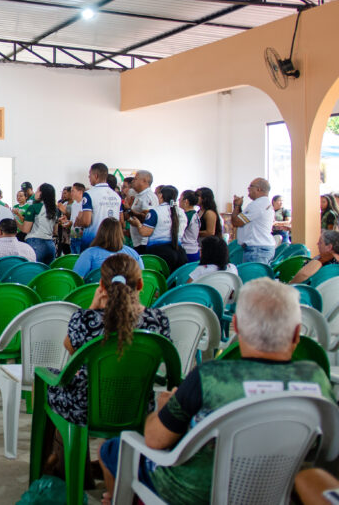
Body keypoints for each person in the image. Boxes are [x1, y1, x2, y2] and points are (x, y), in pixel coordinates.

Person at [97, 279, 333, 505]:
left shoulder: (210, 377)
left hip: (193, 491)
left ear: (237, 326)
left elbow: (155, 440)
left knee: (112, 449)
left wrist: (162, 409)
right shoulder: (316, 379)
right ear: (296, 333)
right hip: (276, 488)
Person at [47, 254, 171, 428]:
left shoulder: (85, 319)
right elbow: (163, 356)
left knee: (47, 377)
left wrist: (92, 308)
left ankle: (57, 452)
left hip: (86, 406)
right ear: (141, 285)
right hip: (138, 405)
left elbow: (72, 349)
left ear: (102, 286)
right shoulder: (158, 320)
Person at [132, 185, 188, 271]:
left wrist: (138, 224)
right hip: (179, 252)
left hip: (160, 255)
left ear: (161, 195)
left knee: (160, 281)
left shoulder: (155, 211)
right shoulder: (181, 212)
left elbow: (145, 232)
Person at [73, 218, 144, 278]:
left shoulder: (89, 254)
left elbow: (76, 279)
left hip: (95, 293)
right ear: (120, 233)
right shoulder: (133, 253)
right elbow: (142, 277)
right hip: (125, 293)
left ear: (100, 232)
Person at [76, 163, 123, 247]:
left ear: (96, 176)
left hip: (93, 241)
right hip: (112, 240)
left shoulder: (89, 194)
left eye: (90, 175)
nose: (89, 177)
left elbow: (86, 222)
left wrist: (79, 221)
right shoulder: (116, 196)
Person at [231, 178, 275, 264]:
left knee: (254, 277)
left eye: (251, 186)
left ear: (259, 189)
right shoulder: (262, 203)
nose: (248, 189)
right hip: (260, 248)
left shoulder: (258, 205)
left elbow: (236, 222)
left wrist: (236, 205)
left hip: (257, 250)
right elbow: (241, 220)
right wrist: (239, 207)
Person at [21, 183, 58, 265]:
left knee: (35, 271)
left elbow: (25, 229)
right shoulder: (55, 209)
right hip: (50, 244)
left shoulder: (34, 207)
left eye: (37, 191)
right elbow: (55, 231)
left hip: (35, 242)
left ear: (42, 194)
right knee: (47, 273)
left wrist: (16, 222)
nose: (35, 193)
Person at [124, 170, 158, 250]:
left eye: (135, 179)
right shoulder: (139, 195)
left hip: (144, 241)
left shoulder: (148, 196)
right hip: (137, 240)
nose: (133, 181)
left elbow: (146, 218)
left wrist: (129, 210)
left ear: (144, 181)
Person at [179, 190, 201, 262]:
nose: (178, 200)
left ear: (186, 201)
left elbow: (179, 232)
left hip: (187, 251)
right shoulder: (195, 214)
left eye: (180, 198)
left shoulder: (187, 216)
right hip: (194, 250)